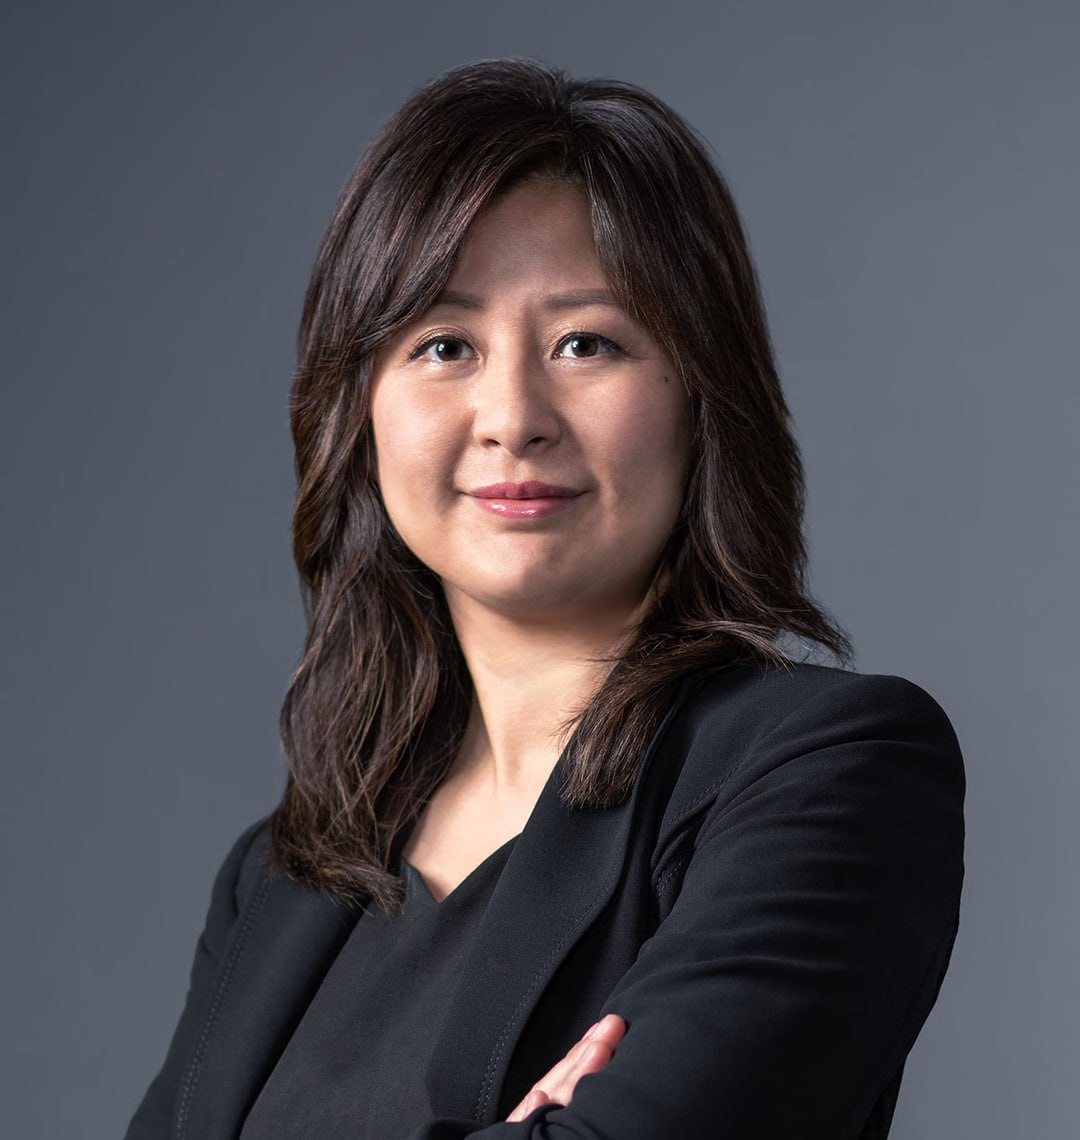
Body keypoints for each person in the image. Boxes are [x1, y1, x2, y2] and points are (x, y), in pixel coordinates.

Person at [124, 58, 965, 1140]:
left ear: (702, 395)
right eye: (444, 346)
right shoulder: (283, 872)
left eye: (586, 343)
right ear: (358, 409)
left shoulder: (828, 772)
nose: (512, 416)